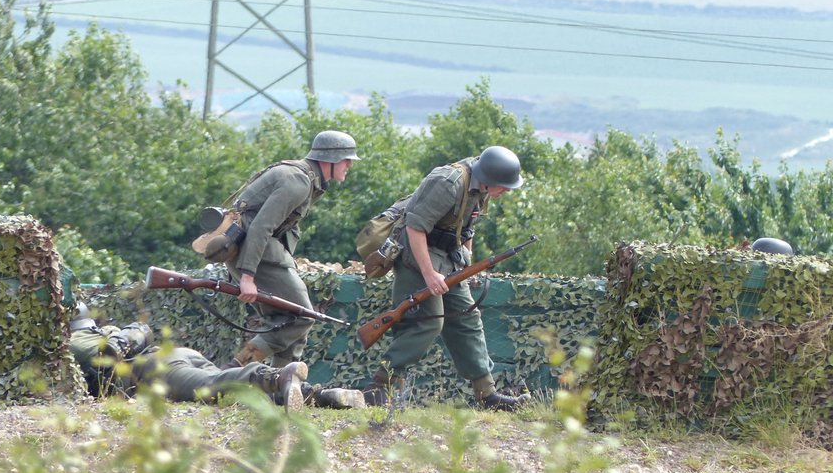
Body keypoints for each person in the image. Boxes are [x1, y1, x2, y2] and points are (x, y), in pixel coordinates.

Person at [363, 146, 530, 412]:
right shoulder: (447, 183)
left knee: (467, 318)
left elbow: (467, 228)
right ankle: (380, 388)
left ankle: (487, 394)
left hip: (447, 257)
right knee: (426, 323)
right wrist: (429, 274)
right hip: (416, 254)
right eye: (504, 186)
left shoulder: (482, 189)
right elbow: (415, 227)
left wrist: (468, 265)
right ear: (488, 178)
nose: (507, 192)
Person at [224, 130, 360, 369]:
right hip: (255, 252)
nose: (349, 165)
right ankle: (235, 369)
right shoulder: (297, 182)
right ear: (330, 160)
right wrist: (247, 276)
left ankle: (281, 383)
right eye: (346, 159)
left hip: (256, 251)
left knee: (287, 319)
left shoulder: (303, 176)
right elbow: (260, 228)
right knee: (304, 315)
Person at [68, 303, 364, 410]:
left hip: (153, 369)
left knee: (217, 386)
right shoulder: (108, 330)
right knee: (230, 390)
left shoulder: (72, 344)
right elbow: (142, 329)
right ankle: (321, 395)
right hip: (178, 354)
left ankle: (277, 375)